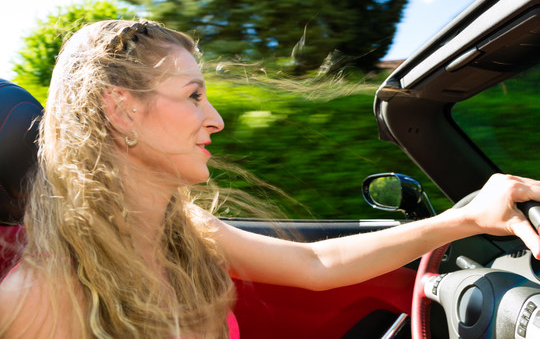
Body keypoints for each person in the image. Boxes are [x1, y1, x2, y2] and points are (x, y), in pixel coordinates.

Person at [1, 19, 540, 339]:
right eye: (193, 96)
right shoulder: (37, 295)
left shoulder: (184, 229)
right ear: (121, 109)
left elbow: (314, 264)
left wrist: (463, 218)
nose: (215, 118)